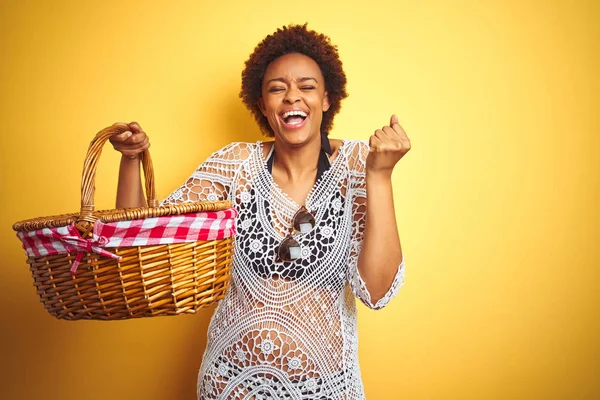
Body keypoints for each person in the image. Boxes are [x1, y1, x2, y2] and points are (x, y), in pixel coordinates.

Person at [110, 24, 410, 400]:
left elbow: (376, 293)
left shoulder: (358, 165)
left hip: (326, 390)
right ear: (263, 104)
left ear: (327, 98)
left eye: (307, 86)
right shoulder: (234, 165)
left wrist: (380, 176)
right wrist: (131, 159)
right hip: (228, 386)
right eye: (276, 88)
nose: (291, 97)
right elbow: (138, 240)